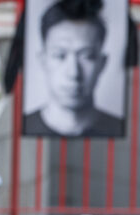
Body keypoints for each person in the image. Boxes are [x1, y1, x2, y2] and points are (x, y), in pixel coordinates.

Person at [24, 1, 123, 137]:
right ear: (43, 60)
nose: (73, 73)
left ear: (103, 63)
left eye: (87, 56)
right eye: (60, 55)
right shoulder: (25, 123)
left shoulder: (116, 126)